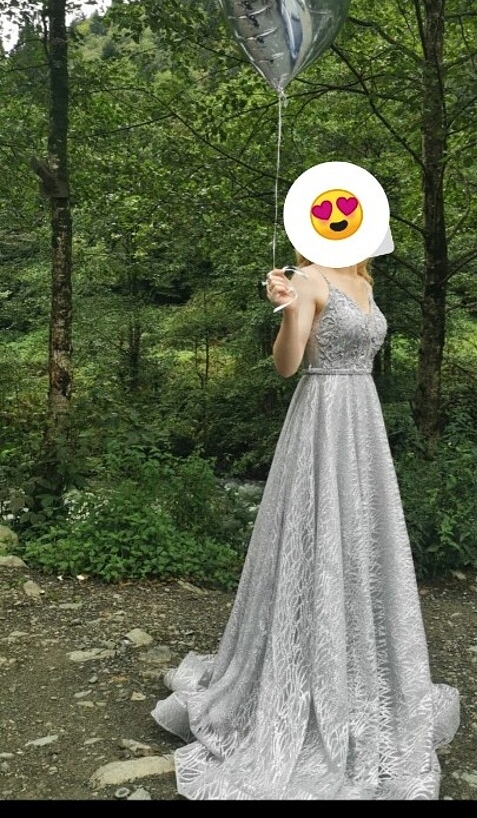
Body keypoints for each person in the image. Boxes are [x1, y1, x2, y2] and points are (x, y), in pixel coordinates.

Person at [151, 254, 460, 799]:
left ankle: (356, 672)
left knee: (360, 543)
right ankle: (302, 683)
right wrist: (289, 308)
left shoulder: (362, 277)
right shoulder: (308, 278)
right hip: (321, 416)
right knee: (312, 536)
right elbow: (288, 365)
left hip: (362, 419)